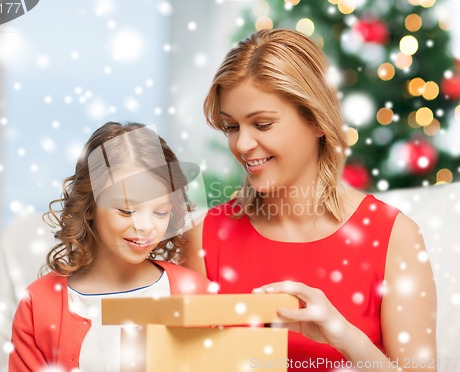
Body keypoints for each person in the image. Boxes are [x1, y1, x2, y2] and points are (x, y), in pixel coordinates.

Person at [183, 29, 437, 371]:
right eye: (231, 127)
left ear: (316, 120)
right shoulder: (205, 239)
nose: (242, 145)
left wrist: (345, 338)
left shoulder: (394, 237)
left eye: (262, 124)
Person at [9, 122, 212, 371]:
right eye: (126, 210)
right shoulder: (38, 305)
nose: (145, 226)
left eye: (160, 212)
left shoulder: (196, 294)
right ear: (90, 206)